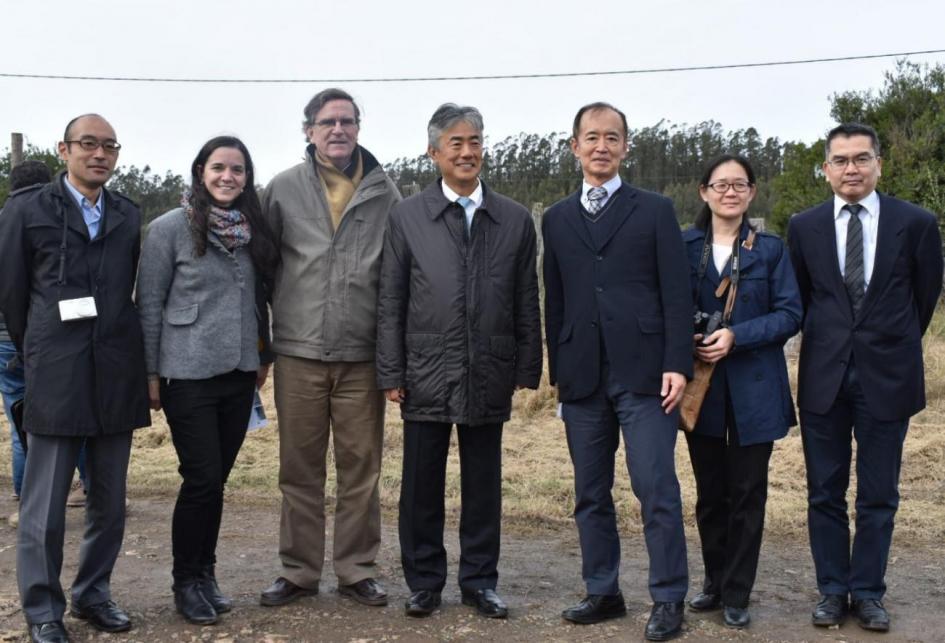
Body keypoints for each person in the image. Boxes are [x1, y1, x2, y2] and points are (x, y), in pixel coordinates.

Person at [376, 103, 542, 619]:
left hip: (488, 365)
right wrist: (390, 371)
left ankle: (479, 581)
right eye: (456, 143)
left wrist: (526, 367)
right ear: (434, 153)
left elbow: (524, 299)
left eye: (475, 141)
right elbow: (390, 299)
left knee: (483, 482)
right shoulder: (407, 217)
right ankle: (424, 582)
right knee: (420, 483)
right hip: (425, 369)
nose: (468, 151)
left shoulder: (513, 219)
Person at [542, 102, 692, 641]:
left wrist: (677, 363)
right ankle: (602, 590)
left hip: (648, 375)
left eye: (612, 137)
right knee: (590, 492)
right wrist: (559, 373)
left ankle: (669, 596)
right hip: (583, 378)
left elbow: (677, 294)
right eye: (591, 137)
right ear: (575, 146)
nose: (601, 146)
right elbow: (554, 299)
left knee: (655, 486)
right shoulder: (556, 218)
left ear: (626, 146)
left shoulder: (654, 210)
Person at [0, 114, 151, 643]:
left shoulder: (128, 215)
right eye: (88, 144)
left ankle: (94, 594)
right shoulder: (26, 210)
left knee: (109, 500)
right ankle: (43, 609)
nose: (100, 154)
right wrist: (39, 352)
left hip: (115, 369)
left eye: (110, 145)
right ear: (63, 149)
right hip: (57, 372)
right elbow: (13, 296)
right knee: (44, 505)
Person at [787, 123, 943, 633]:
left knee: (879, 494)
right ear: (826, 169)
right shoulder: (804, 226)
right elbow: (807, 298)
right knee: (823, 493)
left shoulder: (916, 222)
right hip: (823, 380)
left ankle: (870, 592)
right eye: (840, 160)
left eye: (860, 158)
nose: (850, 168)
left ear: (879, 164)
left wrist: (886, 343)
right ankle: (833, 591)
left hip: (887, 379)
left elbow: (923, 297)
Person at [259, 88, 401, 608]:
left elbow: (398, 277)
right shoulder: (282, 189)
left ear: (359, 128)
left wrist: (394, 357)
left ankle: (356, 568)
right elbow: (262, 267)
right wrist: (264, 343)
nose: (337, 130)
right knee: (299, 467)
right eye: (327, 122)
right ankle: (297, 572)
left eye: (347, 121)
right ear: (308, 130)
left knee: (361, 467)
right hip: (298, 352)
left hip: (362, 356)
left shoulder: (386, 191)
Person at [136, 136, 279, 625]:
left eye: (237, 170)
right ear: (200, 171)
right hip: (187, 373)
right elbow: (149, 304)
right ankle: (185, 581)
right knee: (200, 479)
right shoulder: (168, 230)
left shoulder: (252, 229)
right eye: (218, 167)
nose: (227, 177)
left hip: (239, 373)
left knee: (216, 481)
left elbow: (259, 298)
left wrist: (263, 354)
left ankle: (207, 571)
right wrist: (151, 373)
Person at [681, 155, 802, 628]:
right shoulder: (683, 245)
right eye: (720, 184)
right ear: (704, 192)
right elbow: (666, 304)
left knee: (748, 492)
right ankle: (713, 582)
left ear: (751, 193)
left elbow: (792, 313)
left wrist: (739, 335)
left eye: (739, 185)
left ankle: (738, 592)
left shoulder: (770, 249)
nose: (729, 192)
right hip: (701, 390)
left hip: (755, 387)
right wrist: (686, 337)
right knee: (710, 493)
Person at [1, 161, 51, 507]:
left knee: (21, 421)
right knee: (69, 418)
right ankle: (93, 492)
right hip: (48, 335)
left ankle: (23, 498)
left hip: (4, 340)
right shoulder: (50, 222)